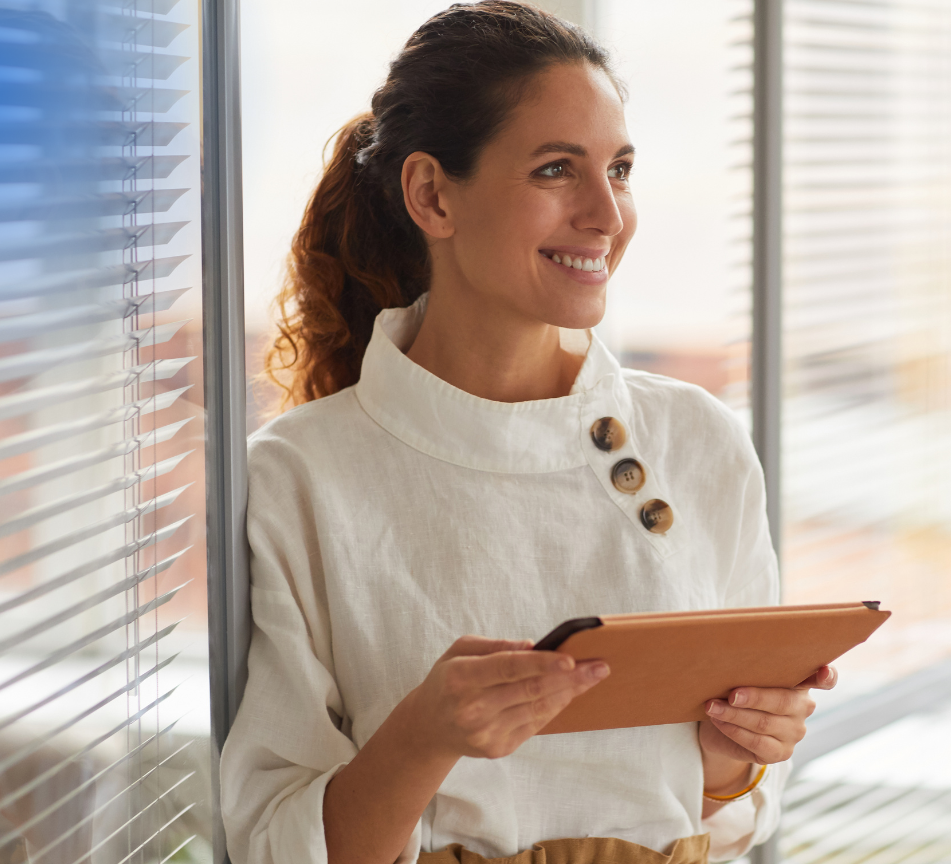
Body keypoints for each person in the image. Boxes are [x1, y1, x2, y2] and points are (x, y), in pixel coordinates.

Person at [221, 4, 836, 863]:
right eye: (557, 170)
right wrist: (425, 734)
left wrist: (736, 754)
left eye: (619, 170)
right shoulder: (299, 476)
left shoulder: (698, 442)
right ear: (432, 194)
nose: (607, 215)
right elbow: (271, 842)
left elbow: (718, 811)